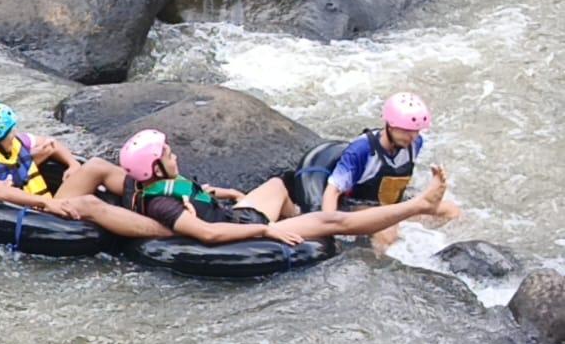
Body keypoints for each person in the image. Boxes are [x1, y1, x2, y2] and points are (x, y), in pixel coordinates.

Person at [119, 128, 448, 246]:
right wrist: (266, 231)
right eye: (168, 155)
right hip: (246, 229)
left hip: (238, 214)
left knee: (278, 184)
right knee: (333, 221)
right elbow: (209, 234)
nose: (174, 155)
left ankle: (302, 222)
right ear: (155, 168)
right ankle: (419, 205)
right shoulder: (163, 204)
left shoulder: (148, 184)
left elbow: (194, 194)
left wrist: (228, 194)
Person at [0, 103, 170, 238]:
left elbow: (52, 144)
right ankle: (169, 233)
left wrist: (72, 165)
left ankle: (161, 195)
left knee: (96, 165)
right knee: (89, 203)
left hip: (46, 204)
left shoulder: (16, 142)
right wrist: (47, 203)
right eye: (9, 132)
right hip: (33, 217)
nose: (14, 133)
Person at [322, 92, 461, 248]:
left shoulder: (415, 144)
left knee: (451, 211)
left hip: (393, 205)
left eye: (417, 131)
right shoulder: (362, 150)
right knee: (387, 232)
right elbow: (332, 191)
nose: (413, 137)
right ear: (390, 125)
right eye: (407, 130)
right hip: (360, 207)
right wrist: (328, 231)